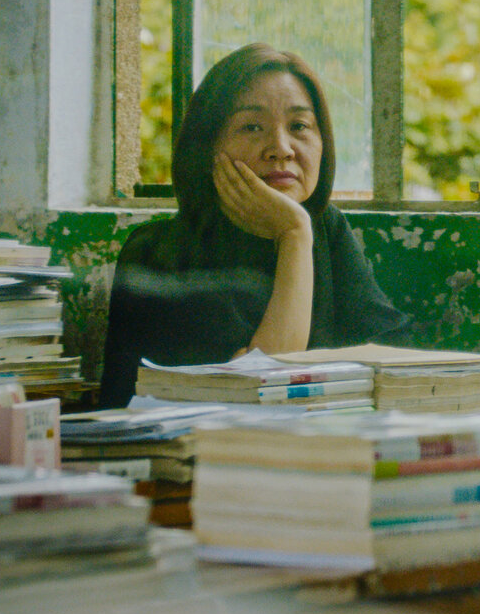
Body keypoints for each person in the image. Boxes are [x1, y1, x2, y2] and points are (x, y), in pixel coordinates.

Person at [96, 43, 409, 407]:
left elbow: (397, 361)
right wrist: (293, 236)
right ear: (207, 147)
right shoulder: (159, 253)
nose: (281, 148)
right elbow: (263, 390)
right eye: (252, 127)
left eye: (299, 126)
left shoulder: (327, 229)